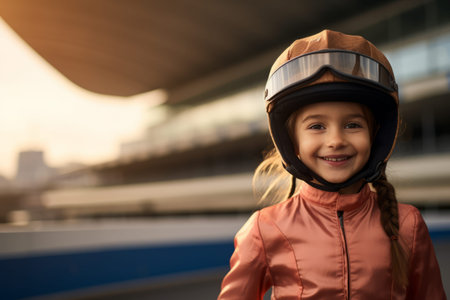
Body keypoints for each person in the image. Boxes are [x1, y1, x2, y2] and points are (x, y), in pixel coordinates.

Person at [218, 30, 446, 300]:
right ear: (293, 143)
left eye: (352, 125)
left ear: (376, 137)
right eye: (317, 126)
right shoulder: (264, 228)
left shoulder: (409, 224)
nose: (336, 140)